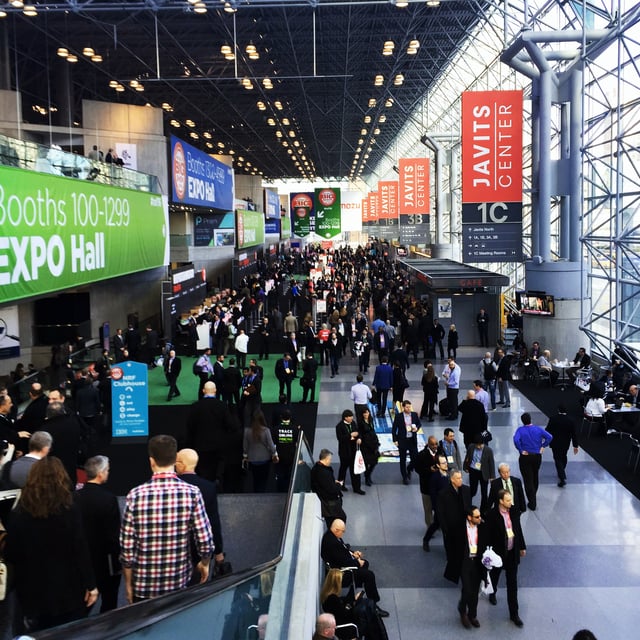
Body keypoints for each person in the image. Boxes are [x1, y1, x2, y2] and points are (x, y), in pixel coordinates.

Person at [5, 457, 98, 633]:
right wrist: (91, 584)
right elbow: (81, 550)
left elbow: (12, 553)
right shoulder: (70, 510)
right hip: (68, 590)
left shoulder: (19, 513)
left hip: (32, 591)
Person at [120, 435, 214, 602]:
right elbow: (205, 540)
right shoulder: (192, 493)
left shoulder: (135, 495)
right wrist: (205, 563)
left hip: (144, 587)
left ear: (151, 461)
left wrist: (128, 584)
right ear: (174, 460)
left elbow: (127, 549)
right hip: (178, 584)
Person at [74, 455, 122, 612]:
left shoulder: (74, 497)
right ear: (101, 473)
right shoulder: (108, 499)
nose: (108, 473)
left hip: (81, 560)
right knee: (109, 604)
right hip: (105, 562)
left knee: (83, 604)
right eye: (107, 470)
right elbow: (114, 536)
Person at [320, 519, 389, 617]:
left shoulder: (332, 536)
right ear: (336, 530)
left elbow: (343, 549)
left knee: (365, 565)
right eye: (342, 531)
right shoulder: (332, 544)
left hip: (342, 565)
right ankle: (373, 604)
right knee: (369, 575)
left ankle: (359, 585)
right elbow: (343, 561)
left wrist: (353, 553)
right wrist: (357, 562)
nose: (343, 533)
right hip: (341, 573)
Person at [175, 448, 226, 578]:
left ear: (182, 464)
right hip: (197, 553)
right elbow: (213, 522)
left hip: (170, 553)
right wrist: (218, 552)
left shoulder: (169, 487)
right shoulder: (208, 488)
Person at [482, 489, 526, 627]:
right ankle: (492, 593)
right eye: (507, 500)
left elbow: (518, 530)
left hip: (512, 554)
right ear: (500, 501)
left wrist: (522, 546)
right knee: (494, 576)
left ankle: (514, 614)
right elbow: (487, 536)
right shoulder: (491, 515)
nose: (510, 502)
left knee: (512, 585)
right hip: (498, 555)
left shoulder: (514, 511)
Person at [186, 381, 237, 486]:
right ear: (215, 391)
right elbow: (231, 425)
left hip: (200, 447)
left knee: (203, 474)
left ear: (203, 391)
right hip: (218, 447)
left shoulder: (195, 406)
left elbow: (189, 427)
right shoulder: (222, 406)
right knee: (217, 473)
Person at [513, 412, 553, 510]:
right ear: (530, 419)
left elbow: (516, 440)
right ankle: (533, 494)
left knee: (528, 479)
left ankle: (532, 501)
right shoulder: (538, 429)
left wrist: (521, 450)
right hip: (537, 456)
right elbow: (549, 437)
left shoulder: (520, 430)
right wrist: (543, 446)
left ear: (522, 421)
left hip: (525, 457)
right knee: (535, 475)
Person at [437, 469, 471, 583]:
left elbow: (469, 507)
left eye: (461, 478)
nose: (461, 480)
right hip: (451, 529)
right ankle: (452, 574)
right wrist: (445, 529)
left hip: (464, 527)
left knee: (463, 551)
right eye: (458, 478)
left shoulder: (466, 490)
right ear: (452, 479)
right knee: (453, 553)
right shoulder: (443, 493)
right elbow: (440, 513)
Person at [457, 505, 485, 629]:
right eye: (477, 517)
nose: (480, 518)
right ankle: (462, 610)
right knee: (467, 589)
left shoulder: (483, 527)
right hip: (465, 562)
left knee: (474, 590)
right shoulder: (460, 528)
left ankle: (472, 615)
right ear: (469, 517)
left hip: (477, 562)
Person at [243, 410, 278, 493]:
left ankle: (257, 493)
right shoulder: (266, 430)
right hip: (265, 459)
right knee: (263, 481)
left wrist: (245, 456)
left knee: (255, 480)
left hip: (252, 459)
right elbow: (271, 445)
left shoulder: (247, 431)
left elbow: (245, 446)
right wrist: (274, 453)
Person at [310, 448, 346, 527]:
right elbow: (331, 489)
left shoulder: (316, 468)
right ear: (326, 459)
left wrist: (333, 481)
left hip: (324, 499)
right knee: (341, 517)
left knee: (331, 520)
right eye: (330, 459)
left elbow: (325, 484)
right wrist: (339, 485)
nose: (330, 461)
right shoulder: (324, 473)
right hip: (330, 502)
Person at [422, 454, 450, 551]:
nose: (446, 464)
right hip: (440, 507)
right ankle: (426, 540)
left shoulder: (449, 474)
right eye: (443, 463)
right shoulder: (435, 478)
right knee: (436, 524)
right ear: (438, 465)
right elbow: (433, 495)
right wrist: (436, 508)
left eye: (446, 462)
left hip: (449, 505)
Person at [546, 404, 579, 487]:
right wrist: (575, 445)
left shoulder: (553, 419)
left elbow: (547, 430)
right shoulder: (571, 420)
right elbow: (574, 434)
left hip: (555, 443)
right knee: (563, 456)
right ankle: (562, 470)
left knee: (557, 459)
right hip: (566, 443)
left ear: (558, 410)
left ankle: (562, 477)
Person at [463, 433, 495, 513]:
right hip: (473, 471)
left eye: (480, 445)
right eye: (477, 445)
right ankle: (467, 506)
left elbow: (491, 463)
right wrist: (465, 467)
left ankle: (483, 510)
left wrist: (492, 476)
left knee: (484, 492)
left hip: (484, 473)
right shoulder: (471, 447)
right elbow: (467, 457)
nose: (479, 447)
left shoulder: (488, 450)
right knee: (472, 490)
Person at [335, 409, 365, 495]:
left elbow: (358, 432)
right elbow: (340, 438)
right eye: (350, 416)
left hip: (353, 450)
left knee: (355, 470)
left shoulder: (353, 423)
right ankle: (341, 485)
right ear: (345, 417)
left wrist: (359, 438)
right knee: (343, 470)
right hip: (344, 452)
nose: (352, 418)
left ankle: (357, 488)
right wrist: (350, 435)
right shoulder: (339, 426)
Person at [392, 400, 421, 485]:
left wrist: (417, 428)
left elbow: (419, 424)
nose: (408, 409)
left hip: (412, 440)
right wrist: (395, 440)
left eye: (409, 407)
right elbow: (394, 429)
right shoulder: (399, 416)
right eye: (407, 407)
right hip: (402, 440)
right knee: (402, 459)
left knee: (415, 458)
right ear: (403, 407)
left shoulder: (414, 415)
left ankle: (409, 468)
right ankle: (404, 477)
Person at [414, 435, 439, 530]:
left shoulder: (440, 453)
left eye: (436, 444)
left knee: (439, 508)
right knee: (428, 509)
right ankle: (430, 527)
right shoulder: (422, 455)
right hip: (426, 487)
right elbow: (417, 469)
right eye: (432, 444)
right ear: (428, 444)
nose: (435, 446)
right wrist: (429, 470)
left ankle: (438, 524)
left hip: (438, 487)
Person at [358, 408, 379, 487]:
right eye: (364, 413)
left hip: (373, 442)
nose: (366, 414)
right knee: (366, 463)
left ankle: (368, 475)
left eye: (367, 413)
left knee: (374, 462)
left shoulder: (371, 420)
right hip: (366, 445)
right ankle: (367, 478)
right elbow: (360, 432)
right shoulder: (361, 423)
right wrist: (359, 438)